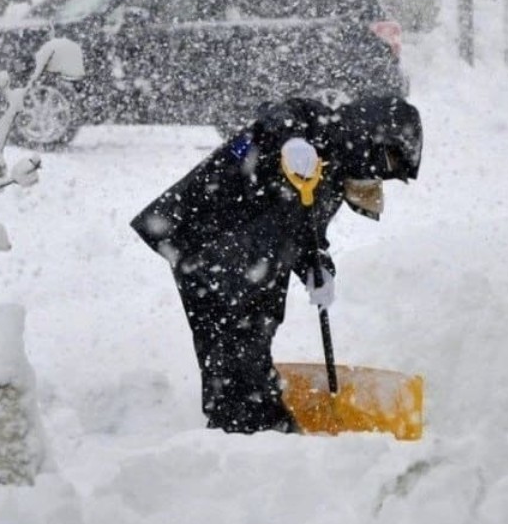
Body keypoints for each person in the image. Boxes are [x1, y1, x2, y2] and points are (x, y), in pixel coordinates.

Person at [130, 96, 422, 434]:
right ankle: (257, 427)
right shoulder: (313, 122)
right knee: (242, 331)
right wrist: (292, 140)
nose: (379, 173)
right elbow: (276, 112)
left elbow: (307, 232)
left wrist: (317, 267)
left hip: (241, 250)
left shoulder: (333, 177)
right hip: (210, 235)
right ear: (371, 132)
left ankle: (238, 426)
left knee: (240, 336)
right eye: (385, 159)